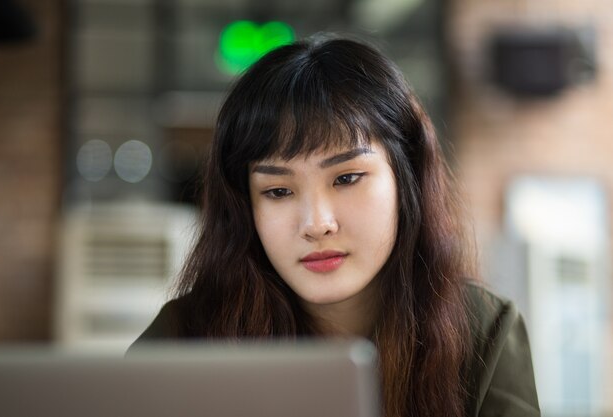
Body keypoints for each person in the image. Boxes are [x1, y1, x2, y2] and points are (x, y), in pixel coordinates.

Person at [131, 35, 540, 417]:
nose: (317, 224)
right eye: (277, 191)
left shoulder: (482, 330)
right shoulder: (183, 338)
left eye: (346, 179)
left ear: (407, 175)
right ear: (244, 207)